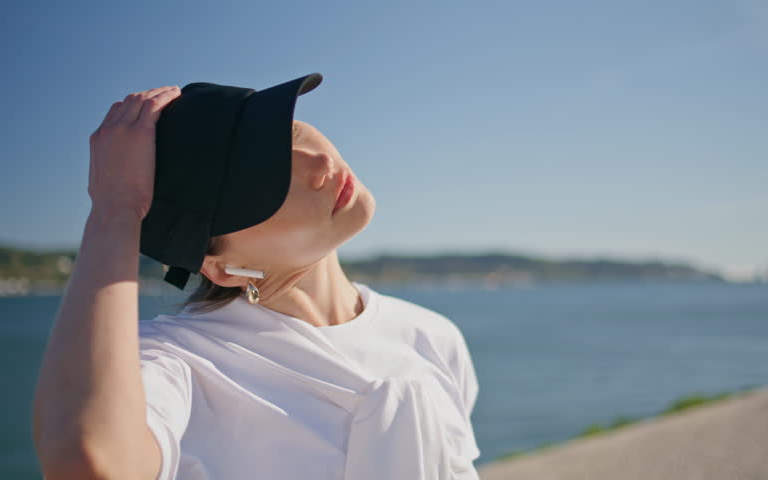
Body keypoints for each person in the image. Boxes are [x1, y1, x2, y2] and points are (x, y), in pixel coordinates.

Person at [32, 77, 481, 480]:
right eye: (261, 177)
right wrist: (116, 209)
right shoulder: (180, 363)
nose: (317, 160)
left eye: (288, 130)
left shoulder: (432, 337)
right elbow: (89, 464)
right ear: (222, 267)